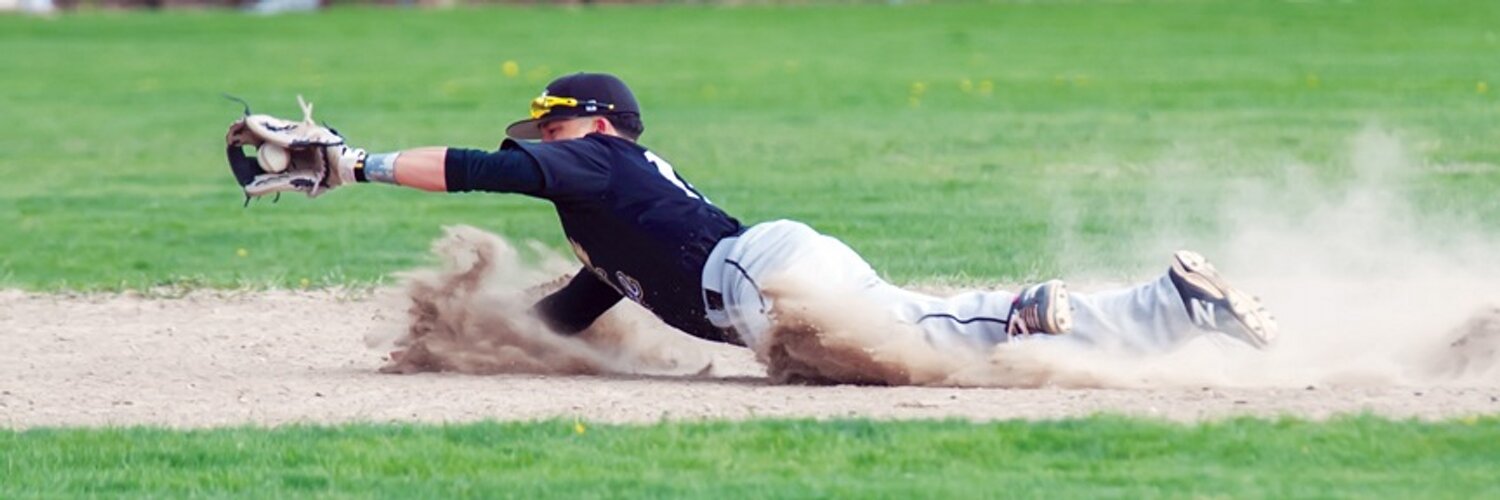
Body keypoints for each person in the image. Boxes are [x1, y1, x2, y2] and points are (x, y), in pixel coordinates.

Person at [311, 72, 1277, 357]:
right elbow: (571, 317)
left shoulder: (596, 162)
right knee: (923, 348)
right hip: (754, 272)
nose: (536, 139)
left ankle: (1034, 305)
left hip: (755, 271)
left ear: (592, 124)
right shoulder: (604, 210)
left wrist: (359, 163)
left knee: (922, 338)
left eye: (547, 125)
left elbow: (483, 170)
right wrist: (476, 347)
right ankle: (1168, 309)